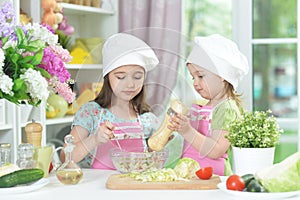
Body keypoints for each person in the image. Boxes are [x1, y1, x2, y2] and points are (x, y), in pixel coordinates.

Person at [62, 33, 183, 169]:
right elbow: (66, 157)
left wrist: (162, 143)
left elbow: (147, 159)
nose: (130, 84)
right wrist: (94, 139)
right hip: (97, 187)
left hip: (133, 186)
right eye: (121, 77)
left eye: (137, 77)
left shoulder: (148, 119)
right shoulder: (90, 113)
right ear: (108, 77)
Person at [168, 34, 249, 176]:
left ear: (222, 75)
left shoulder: (227, 109)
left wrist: (187, 131)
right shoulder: (204, 106)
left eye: (200, 76)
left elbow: (216, 150)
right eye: (193, 77)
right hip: (192, 176)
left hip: (213, 179)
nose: (194, 82)